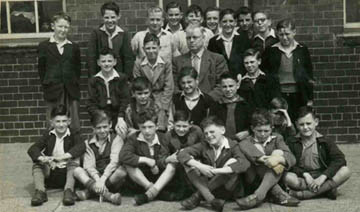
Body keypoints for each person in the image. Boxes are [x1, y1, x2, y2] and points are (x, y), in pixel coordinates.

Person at [178, 116, 250, 211]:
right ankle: (211, 200)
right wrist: (201, 166)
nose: (209, 136)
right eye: (206, 133)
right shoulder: (204, 145)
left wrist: (215, 171)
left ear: (222, 130)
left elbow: (244, 163)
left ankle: (198, 196)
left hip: (225, 187)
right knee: (187, 161)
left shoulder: (233, 145)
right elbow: (182, 154)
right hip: (209, 185)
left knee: (233, 161)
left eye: (212, 132)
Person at [284, 106, 351, 200]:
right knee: (287, 177)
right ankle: (326, 189)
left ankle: (303, 195)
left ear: (316, 122)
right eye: (301, 124)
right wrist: (305, 174)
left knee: (345, 171)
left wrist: (323, 177)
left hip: (322, 175)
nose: (305, 127)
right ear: (296, 125)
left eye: (308, 123)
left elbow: (339, 159)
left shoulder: (325, 140)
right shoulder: (292, 142)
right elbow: (290, 163)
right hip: (303, 178)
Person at [236, 109, 299, 210]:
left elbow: (291, 158)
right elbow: (257, 158)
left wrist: (278, 159)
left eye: (266, 131)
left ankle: (258, 195)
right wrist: (267, 159)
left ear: (272, 128)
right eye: (259, 131)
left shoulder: (277, 138)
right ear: (252, 128)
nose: (263, 134)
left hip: (274, 177)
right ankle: (279, 194)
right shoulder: (245, 142)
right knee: (272, 162)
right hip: (254, 180)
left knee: (278, 158)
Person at [27, 105, 85, 207]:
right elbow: (33, 149)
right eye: (58, 121)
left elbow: (81, 146)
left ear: (69, 121)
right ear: (52, 122)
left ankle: (69, 191)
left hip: (68, 174)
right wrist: (44, 159)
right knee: (37, 163)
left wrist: (61, 157)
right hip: (52, 173)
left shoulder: (74, 134)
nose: (61, 125)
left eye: (64, 121)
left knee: (75, 160)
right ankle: (40, 192)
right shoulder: (48, 135)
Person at [119, 107, 176, 205]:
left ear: (157, 126)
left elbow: (171, 154)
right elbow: (123, 156)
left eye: (150, 127)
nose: (147, 131)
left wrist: (161, 162)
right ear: (139, 127)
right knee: (128, 165)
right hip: (142, 180)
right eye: (143, 127)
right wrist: (146, 160)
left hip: (160, 177)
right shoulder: (134, 138)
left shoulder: (164, 137)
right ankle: (154, 191)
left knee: (172, 165)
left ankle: (151, 193)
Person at [261, 18, 315, 122]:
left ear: (294, 32)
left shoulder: (302, 49)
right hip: (278, 94)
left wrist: (309, 98)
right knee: (281, 122)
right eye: (281, 35)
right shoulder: (271, 50)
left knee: (300, 121)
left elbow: (309, 74)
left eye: (287, 34)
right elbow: (265, 73)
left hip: (299, 94)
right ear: (277, 34)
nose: (284, 38)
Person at [38, 12, 81, 132]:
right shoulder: (44, 46)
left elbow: (77, 69)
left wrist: (73, 82)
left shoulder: (73, 47)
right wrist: (48, 83)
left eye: (66, 27)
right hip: (53, 89)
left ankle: (73, 147)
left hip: (70, 90)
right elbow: (41, 69)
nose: (63, 30)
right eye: (60, 26)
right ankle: (53, 146)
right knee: (53, 120)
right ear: (53, 26)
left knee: (73, 121)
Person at [73, 110, 127, 205]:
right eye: (98, 128)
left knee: (122, 171)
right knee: (77, 170)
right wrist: (98, 180)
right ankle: (109, 196)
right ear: (93, 128)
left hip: (111, 177)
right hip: (95, 178)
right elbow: (89, 166)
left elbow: (114, 162)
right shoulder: (88, 143)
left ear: (110, 125)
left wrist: (103, 179)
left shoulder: (117, 139)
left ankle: (88, 192)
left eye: (105, 127)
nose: (102, 131)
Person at [173, 24, 228, 101]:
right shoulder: (177, 61)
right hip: (185, 104)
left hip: (210, 104)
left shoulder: (217, 59)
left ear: (203, 38)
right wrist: (186, 100)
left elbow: (222, 84)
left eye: (195, 37)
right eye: (188, 38)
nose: (191, 41)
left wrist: (204, 100)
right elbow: (174, 86)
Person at [158, 110, 204, 200]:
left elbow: (205, 148)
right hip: (177, 168)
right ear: (173, 124)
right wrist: (168, 159)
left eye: (184, 126)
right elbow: (160, 159)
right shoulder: (168, 135)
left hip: (195, 164)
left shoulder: (197, 131)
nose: (181, 129)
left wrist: (198, 159)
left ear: (190, 124)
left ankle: (197, 192)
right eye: (178, 126)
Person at [87, 48, 130, 137]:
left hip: (118, 112)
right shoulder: (94, 80)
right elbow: (91, 103)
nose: (106, 64)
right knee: (101, 133)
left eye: (109, 61)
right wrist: (100, 118)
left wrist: (121, 117)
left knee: (121, 132)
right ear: (98, 62)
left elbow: (125, 99)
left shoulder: (121, 78)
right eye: (103, 61)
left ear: (115, 62)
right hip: (101, 112)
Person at [87, 1, 134, 79]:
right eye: (106, 17)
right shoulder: (96, 33)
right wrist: (94, 78)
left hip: (119, 76)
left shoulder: (124, 33)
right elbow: (91, 58)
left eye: (113, 17)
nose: (110, 21)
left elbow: (128, 59)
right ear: (102, 17)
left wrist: (126, 79)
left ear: (118, 16)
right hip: (101, 76)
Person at [133, 33, 174, 113]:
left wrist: (163, 106)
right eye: (148, 48)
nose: (151, 51)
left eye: (154, 48)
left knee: (164, 120)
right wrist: (147, 102)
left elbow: (169, 86)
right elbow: (138, 85)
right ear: (143, 49)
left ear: (159, 48)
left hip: (163, 98)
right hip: (145, 98)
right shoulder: (138, 64)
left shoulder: (166, 63)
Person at [208, 8, 251, 77]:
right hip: (220, 81)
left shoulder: (244, 39)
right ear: (220, 23)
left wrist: (242, 75)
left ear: (235, 22)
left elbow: (248, 59)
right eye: (224, 21)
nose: (228, 24)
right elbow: (211, 64)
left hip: (240, 79)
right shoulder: (213, 42)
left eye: (231, 21)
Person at [210, 72, 252, 139]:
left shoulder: (245, 105)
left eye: (231, 86)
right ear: (220, 87)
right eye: (224, 87)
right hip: (221, 140)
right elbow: (211, 124)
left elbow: (252, 124)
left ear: (237, 86)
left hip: (242, 140)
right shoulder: (216, 105)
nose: (228, 89)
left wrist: (248, 132)